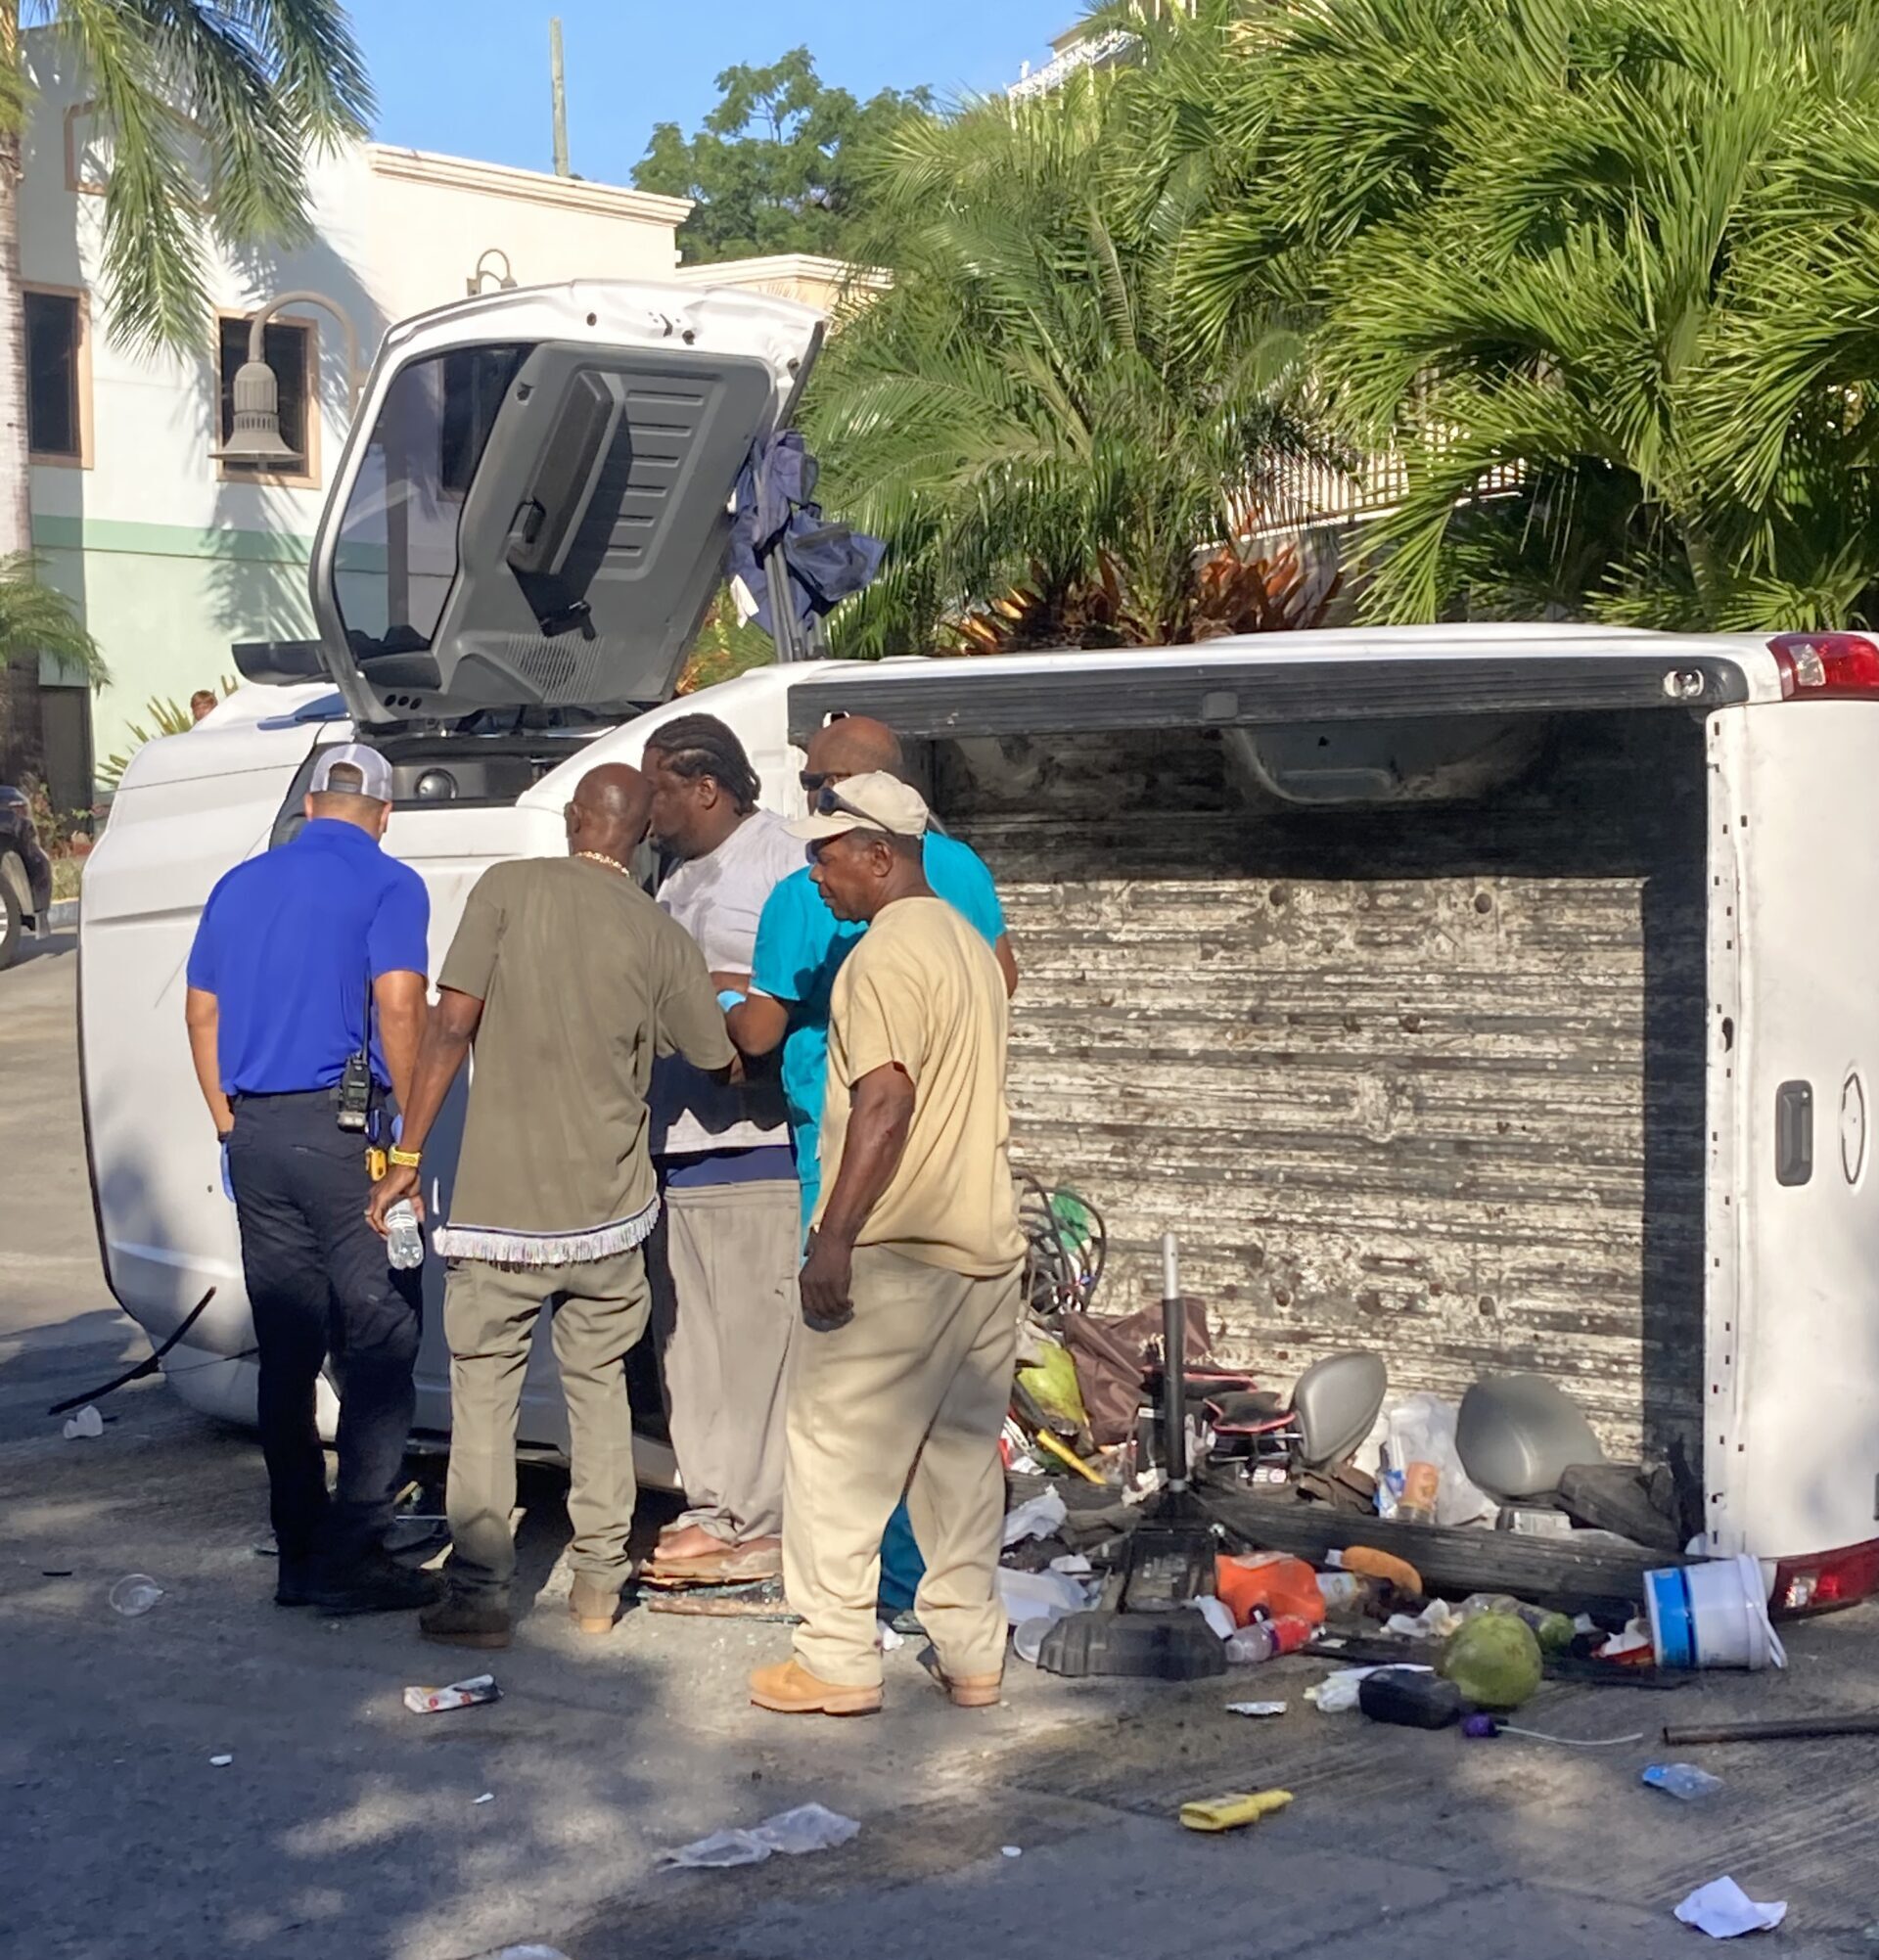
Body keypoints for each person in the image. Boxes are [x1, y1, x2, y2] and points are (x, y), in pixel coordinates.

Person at [367, 764, 737, 1651]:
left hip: (501, 1215)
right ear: (643, 835)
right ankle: (600, 1586)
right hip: (610, 1213)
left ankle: (482, 1593)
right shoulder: (658, 930)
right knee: (600, 1391)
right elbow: (716, 1052)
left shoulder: (505, 888)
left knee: (484, 1400)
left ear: (574, 819)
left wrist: (407, 1157)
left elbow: (450, 1023)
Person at [725, 713, 1018, 1611]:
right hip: (973, 1186)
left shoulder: (818, 905)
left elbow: (847, 1077)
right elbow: (1005, 978)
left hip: (861, 1181)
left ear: (856, 818)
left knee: (843, 1429)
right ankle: (964, 1634)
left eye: (814, 786)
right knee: (955, 1441)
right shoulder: (961, 881)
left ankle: (863, 1617)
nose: (807, 836)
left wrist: (834, 1237)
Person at [183, 743, 435, 1616]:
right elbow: (400, 1003)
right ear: (384, 812)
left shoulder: (238, 884)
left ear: (313, 805)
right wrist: (408, 1143)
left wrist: (228, 1120)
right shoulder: (390, 884)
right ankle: (354, 1549)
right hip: (346, 1136)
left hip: (256, 1133)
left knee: (287, 1347)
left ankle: (299, 1552)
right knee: (384, 1330)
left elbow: (202, 1010)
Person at [728, 715, 1017, 1234]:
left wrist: (726, 999)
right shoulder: (964, 866)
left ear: (840, 788)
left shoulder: (807, 893)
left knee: (837, 1301)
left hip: (847, 1154)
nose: (810, 797)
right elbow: (1002, 979)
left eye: (810, 783)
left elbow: (759, 1035)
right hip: (959, 1146)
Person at [639, 714, 806, 1589]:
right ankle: (710, 1508)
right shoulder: (669, 874)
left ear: (707, 788)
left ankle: (767, 1522)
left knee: (756, 1352)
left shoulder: (780, 859)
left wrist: (704, 991)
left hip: (757, 1148)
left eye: (658, 786)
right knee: (688, 1349)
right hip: (675, 1150)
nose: (645, 803)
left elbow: (806, 985)